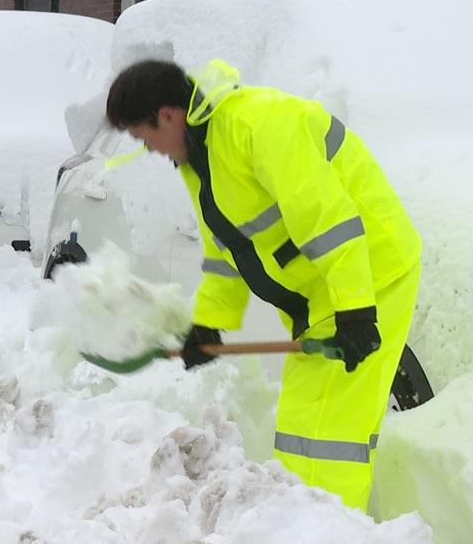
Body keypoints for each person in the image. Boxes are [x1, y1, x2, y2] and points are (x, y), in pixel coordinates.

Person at [104, 58, 421, 512]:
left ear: (167, 116)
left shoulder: (260, 125)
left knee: (334, 429)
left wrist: (355, 308)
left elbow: (327, 221)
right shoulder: (201, 161)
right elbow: (226, 253)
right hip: (320, 293)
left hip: (371, 273)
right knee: (300, 421)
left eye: (144, 138)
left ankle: (333, 528)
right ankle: (298, 521)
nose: (150, 150)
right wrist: (208, 326)